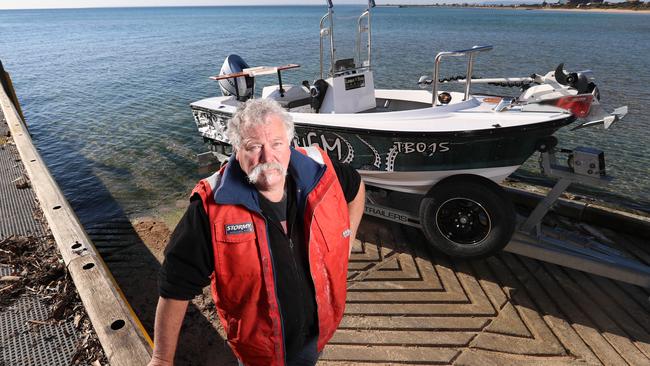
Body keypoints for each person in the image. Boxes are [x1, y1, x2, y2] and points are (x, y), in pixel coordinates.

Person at [148, 98, 365, 366]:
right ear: (237, 150)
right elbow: (175, 284)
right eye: (254, 147)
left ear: (289, 144)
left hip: (316, 335)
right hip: (260, 353)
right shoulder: (211, 208)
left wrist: (347, 239)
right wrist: (162, 359)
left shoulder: (320, 172)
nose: (268, 157)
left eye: (276, 144)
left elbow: (355, 187)